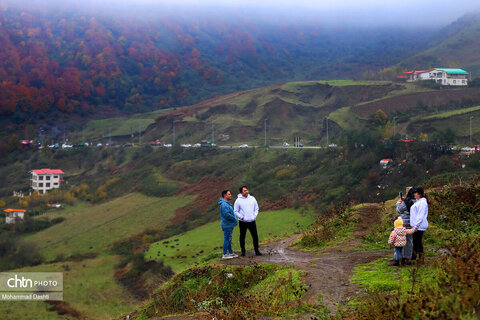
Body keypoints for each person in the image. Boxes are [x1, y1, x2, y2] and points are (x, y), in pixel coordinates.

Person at [234, 185, 262, 256]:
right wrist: (241, 217)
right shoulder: (238, 201)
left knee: (255, 236)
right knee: (242, 236)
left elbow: (256, 208)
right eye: (244, 191)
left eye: (247, 190)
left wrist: (254, 216)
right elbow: (236, 211)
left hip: (252, 221)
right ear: (241, 192)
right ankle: (243, 251)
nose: (246, 192)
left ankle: (256, 250)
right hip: (243, 222)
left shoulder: (252, 198)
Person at [396, 187, 416, 264]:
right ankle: (408, 256)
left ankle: (400, 257)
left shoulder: (407, 201)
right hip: (412, 221)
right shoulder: (416, 201)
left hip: (404, 220)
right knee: (409, 240)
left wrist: (399, 202)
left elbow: (399, 210)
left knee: (400, 239)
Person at [410, 187, 429, 264]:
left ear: (420, 194)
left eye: (416, 193)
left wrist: (416, 226)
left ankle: (416, 258)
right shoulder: (419, 202)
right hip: (417, 225)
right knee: (417, 242)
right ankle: (418, 258)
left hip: (419, 226)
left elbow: (420, 216)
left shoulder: (422, 203)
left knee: (417, 242)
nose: (414, 194)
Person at [218, 189, 238, 259]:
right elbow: (226, 214)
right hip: (227, 225)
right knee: (227, 239)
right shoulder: (224, 204)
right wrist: (233, 218)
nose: (230, 195)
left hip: (229, 224)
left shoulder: (226, 203)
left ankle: (231, 252)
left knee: (229, 238)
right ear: (225, 195)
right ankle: (225, 254)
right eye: (229, 194)